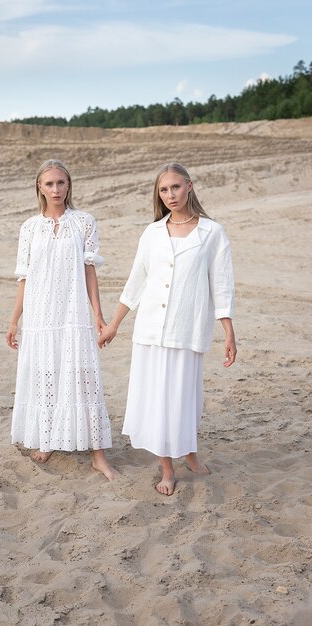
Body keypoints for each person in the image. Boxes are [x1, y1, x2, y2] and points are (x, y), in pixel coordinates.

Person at [98, 162, 236, 495]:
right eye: (164, 190)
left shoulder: (212, 233)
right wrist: (114, 324)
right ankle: (166, 469)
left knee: (184, 398)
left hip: (186, 329)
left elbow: (221, 284)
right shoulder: (152, 233)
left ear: (189, 186)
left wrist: (229, 332)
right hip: (151, 331)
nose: (170, 195)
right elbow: (136, 282)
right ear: (158, 194)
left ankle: (189, 452)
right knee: (159, 400)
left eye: (175, 187)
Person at [7, 159, 116, 481]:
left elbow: (89, 270)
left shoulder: (84, 222)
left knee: (84, 376)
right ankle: (49, 440)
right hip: (40, 314)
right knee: (46, 376)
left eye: (61, 183)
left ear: (69, 185)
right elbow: (24, 277)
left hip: (74, 312)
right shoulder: (29, 228)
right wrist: (15, 321)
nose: (56, 189)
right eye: (49, 184)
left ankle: (99, 456)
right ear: (39, 188)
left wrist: (98, 314)